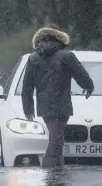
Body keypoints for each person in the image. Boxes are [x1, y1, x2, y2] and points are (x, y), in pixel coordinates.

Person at [21, 26, 94, 168]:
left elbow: (27, 86)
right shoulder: (66, 56)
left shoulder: (33, 58)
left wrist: (28, 108)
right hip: (61, 104)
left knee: (56, 138)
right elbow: (80, 74)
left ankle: (58, 170)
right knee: (56, 139)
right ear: (60, 40)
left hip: (44, 106)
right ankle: (49, 172)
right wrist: (89, 87)